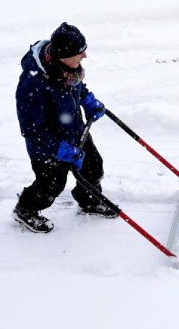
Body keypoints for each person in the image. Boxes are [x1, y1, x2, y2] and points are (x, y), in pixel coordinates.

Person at [13, 22, 117, 233]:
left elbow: (77, 88)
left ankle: (88, 201)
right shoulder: (33, 83)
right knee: (51, 185)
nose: (85, 56)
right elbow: (31, 129)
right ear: (63, 54)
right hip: (47, 146)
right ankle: (25, 209)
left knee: (93, 166)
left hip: (75, 132)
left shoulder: (68, 69)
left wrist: (87, 100)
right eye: (80, 52)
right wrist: (59, 149)